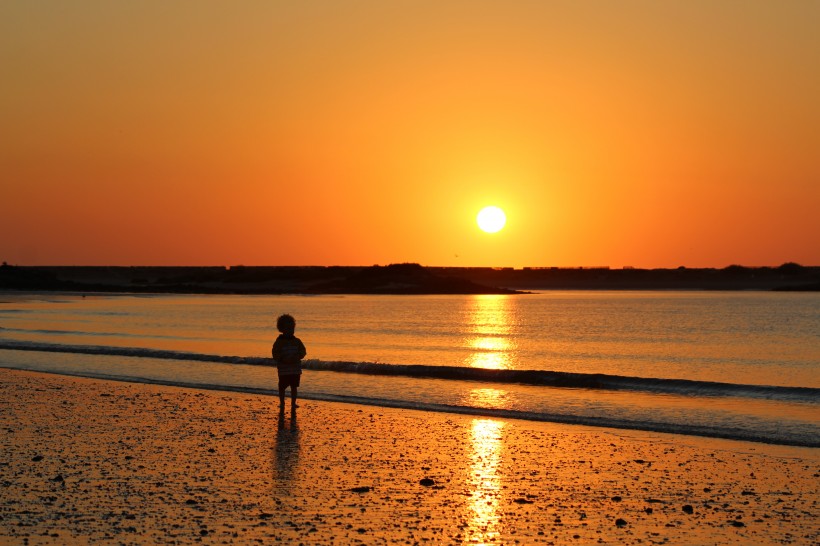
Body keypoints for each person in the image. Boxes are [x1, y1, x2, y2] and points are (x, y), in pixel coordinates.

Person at [271, 314, 306, 410]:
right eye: (288, 328)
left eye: (292, 328)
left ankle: (293, 403)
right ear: (282, 329)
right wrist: (282, 358)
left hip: (295, 369)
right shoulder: (279, 342)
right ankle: (282, 402)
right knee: (282, 387)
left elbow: (303, 351)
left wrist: (298, 356)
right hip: (284, 370)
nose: (290, 331)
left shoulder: (297, 341)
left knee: (294, 387)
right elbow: (275, 354)